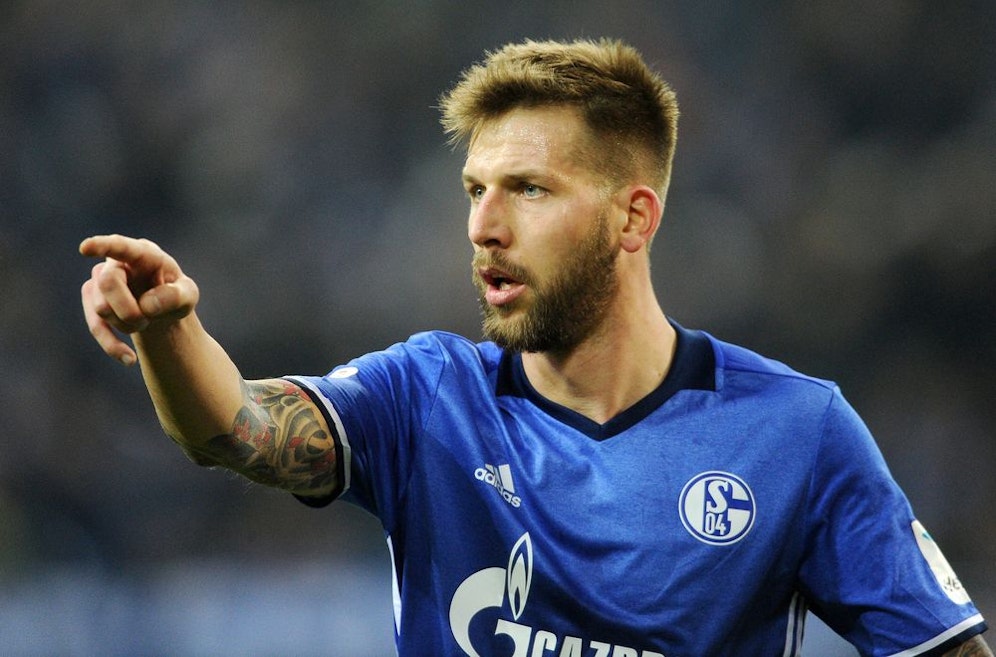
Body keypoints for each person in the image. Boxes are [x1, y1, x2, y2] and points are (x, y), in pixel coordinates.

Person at [80, 38, 989, 657]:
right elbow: (235, 428)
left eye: (529, 189)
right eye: (474, 189)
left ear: (634, 218)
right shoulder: (428, 395)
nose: (483, 225)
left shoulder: (796, 431)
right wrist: (170, 331)